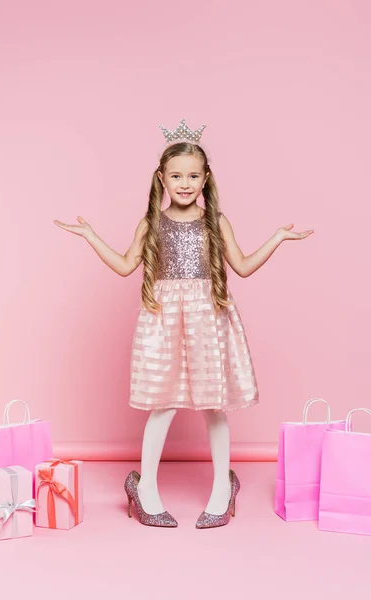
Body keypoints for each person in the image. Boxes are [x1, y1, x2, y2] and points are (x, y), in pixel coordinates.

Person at [54, 118, 314, 529]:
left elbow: (242, 266)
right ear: (162, 179)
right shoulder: (151, 223)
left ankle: (221, 490)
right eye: (177, 176)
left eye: (193, 175)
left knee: (213, 405)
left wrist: (277, 238)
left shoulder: (216, 222)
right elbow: (125, 266)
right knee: (163, 404)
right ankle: (146, 490)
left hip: (206, 318)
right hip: (163, 319)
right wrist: (90, 235)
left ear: (206, 178)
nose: (185, 183)